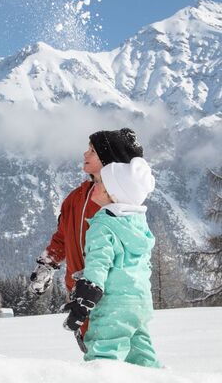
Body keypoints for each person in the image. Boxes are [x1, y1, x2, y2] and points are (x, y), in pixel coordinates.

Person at [61, 156, 160, 367]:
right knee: (142, 357)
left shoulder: (102, 225)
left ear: (112, 194)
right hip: (140, 304)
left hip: (114, 305)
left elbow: (99, 263)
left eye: (98, 184)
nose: (93, 186)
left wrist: (85, 298)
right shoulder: (137, 224)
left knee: (103, 355)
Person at [29, 128, 144, 309]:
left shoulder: (118, 202)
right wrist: (48, 263)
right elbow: (63, 236)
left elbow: (129, 250)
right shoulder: (76, 197)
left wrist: (94, 279)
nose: (85, 153)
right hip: (77, 295)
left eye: (92, 151)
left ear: (109, 161)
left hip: (107, 299)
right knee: (88, 338)